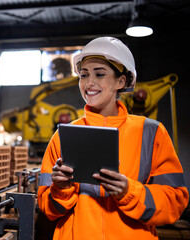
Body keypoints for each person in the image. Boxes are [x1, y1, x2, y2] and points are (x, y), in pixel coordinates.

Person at [37, 36, 189, 239]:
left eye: (99, 74)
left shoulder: (150, 132)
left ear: (121, 81)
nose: (89, 83)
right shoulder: (63, 136)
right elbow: (48, 209)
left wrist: (129, 192)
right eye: (84, 75)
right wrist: (61, 189)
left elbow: (175, 202)